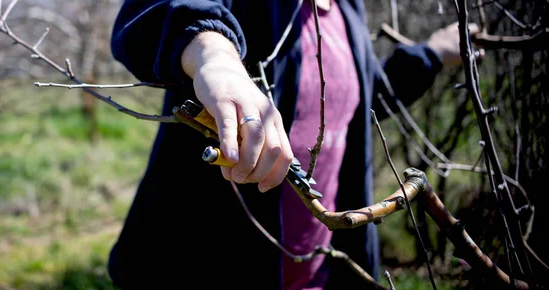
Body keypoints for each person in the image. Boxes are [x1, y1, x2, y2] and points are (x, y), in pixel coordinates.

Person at [107, 0, 480, 289]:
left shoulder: (346, 10)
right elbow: (153, 10)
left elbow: (355, 102)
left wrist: (431, 53)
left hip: (327, 272)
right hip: (211, 266)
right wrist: (217, 59)